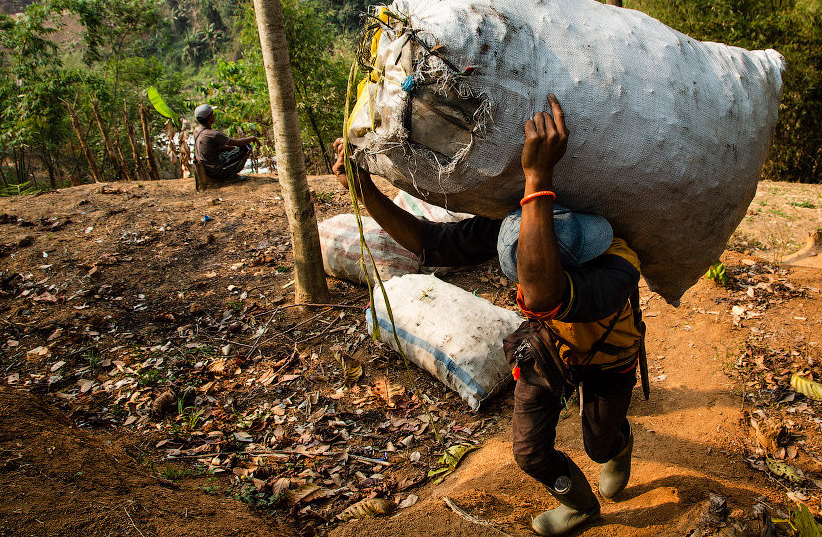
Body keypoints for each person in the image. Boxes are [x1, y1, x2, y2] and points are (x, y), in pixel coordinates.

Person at [332, 94, 646, 537]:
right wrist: (361, 188)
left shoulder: (619, 265)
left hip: (608, 356)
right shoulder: (517, 228)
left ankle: (617, 444)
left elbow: (541, 295)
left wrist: (537, 173)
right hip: (549, 349)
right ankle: (579, 505)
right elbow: (430, 242)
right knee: (530, 453)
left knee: (598, 444)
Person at [193, 104, 258, 182]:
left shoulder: (196, 131)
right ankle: (231, 176)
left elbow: (211, 148)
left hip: (207, 169)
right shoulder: (214, 134)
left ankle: (228, 174)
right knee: (246, 147)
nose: (214, 116)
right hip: (217, 171)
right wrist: (251, 138)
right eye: (212, 114)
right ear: (209, 118)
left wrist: (230, 148)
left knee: (231, 150)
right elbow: (237, 143)